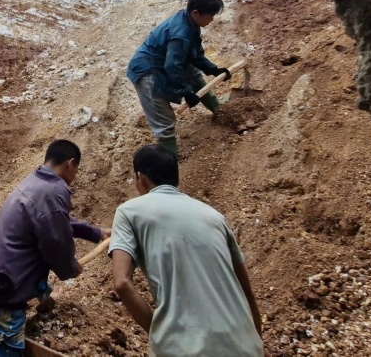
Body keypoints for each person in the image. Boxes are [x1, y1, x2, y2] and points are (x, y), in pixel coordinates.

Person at [110, 145, 265, 357]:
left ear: (140, 178)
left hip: (185, 349)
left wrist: (157, 334)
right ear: (177, 179)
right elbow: (247, 293)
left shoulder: (129, 211)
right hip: (246, 346)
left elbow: (122, 282)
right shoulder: (214, 216)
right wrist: (257, 343)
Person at [0, 140, 111, 357]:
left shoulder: (37, 180)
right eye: (77, 169)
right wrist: (70, 268)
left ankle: (41, 299)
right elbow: (56, 243)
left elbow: (54, 220)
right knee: (7, 342)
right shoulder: (54, 191)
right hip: (2, 285)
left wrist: (95, 233)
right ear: (71, 164)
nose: (76, 174)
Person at [127, 0, 230, 155]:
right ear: (196, 13)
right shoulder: (181, 33)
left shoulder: (191, 23)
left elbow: (194, 55)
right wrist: (186, 92)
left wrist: (214, 69)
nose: (212, 19)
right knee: (164, 120)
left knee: (195, 75)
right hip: (146, 70)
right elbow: (172, 66)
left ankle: (221, 111)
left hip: (163, 62)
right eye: (210, 16)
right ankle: (169, 162)